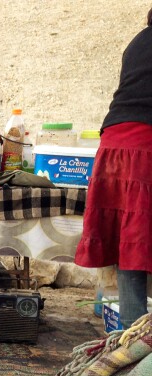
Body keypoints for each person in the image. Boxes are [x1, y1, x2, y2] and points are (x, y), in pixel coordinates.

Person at [75, 8, 152, 329]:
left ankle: (134, 339)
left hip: (114, 145)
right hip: (144, 147)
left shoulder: (138, 41)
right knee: (136, 239)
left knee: (130, 243)